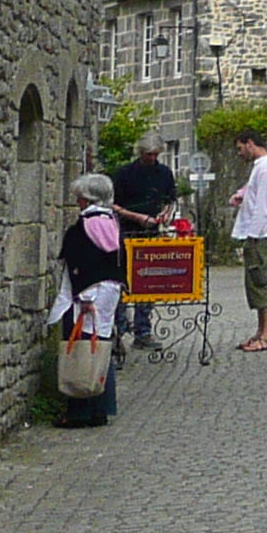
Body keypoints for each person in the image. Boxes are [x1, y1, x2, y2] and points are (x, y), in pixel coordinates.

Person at [52, 173, 127, 425]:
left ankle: (79, 409)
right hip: (110, 292)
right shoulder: (112, 222)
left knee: (82, 347)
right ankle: (101, 408)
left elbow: (81, 263)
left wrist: (85, 297)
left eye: (80, 197)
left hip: (89, 294)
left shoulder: (82, 227)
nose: (77, 201)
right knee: (101, 345)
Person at [110, 140, 177, 348]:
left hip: (152, 233)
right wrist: (136, 216)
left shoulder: (164, 173)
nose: (152, 159)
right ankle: (119, 331)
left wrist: (165, 213)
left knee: (147, 281)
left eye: (156, 155)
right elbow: (113, 205)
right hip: (126, 231)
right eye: (149, 154)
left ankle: (143, 331)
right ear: (140, 152)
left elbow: (170, 199)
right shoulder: (124, 174)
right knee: (122, 280)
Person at [228, 126, 267, 352]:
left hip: (261, 234)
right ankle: (260, 332)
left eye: (240, 148)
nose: (240, 153)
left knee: (261, 282)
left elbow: (264, 205)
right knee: (254, 282)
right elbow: (253, 191)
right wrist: (241, 195)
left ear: (250, 143)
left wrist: (253, 234)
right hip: (257, 233)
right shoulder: (261, 167)